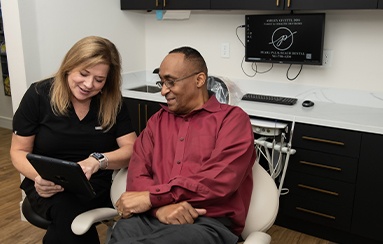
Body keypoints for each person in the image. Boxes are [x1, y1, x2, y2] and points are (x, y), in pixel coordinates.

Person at [109, 46, 256, 244]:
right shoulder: (156, 122)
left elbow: (219, 181)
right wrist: (160, 208)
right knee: (120, 234)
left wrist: (153, 198)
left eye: (170, 82)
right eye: (161, 82)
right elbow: (137, 174)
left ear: (199, 80)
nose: (163, 91)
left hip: (206, 221)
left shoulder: (232, 120)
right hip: (153, 216)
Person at [10, 36, 137, 243]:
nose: (89, 84)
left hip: (95, 185)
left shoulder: (112, 103)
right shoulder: (38, 95)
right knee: (68, 212)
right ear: (69, 66)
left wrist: (98, 160)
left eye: (99, 79)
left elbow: (132, 150)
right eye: (84, 73)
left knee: (68, 217)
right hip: (46, 184)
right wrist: (39, 177)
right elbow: (18, 151)